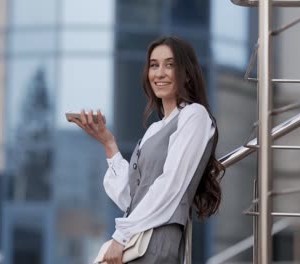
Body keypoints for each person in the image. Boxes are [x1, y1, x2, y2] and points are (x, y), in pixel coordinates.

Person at [69, 36, 224, 264]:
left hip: (155, 242)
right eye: (154, 65)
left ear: (187, 74)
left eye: (169, 65)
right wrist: (108, 144)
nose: (159, 73)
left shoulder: (194, 115)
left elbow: (171, 185)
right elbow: (131, 199)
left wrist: (121, 236)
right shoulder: (154, 129)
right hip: (137, 239)